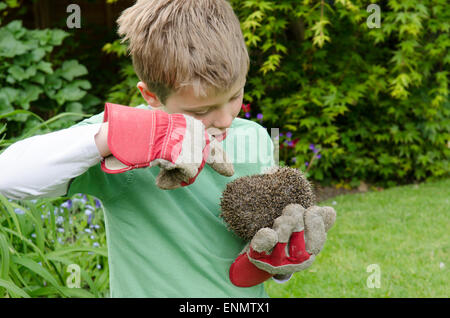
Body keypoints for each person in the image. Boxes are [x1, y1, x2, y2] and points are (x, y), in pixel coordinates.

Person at [0, 0, 329, 297]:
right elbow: (9, 176)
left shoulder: (254, 137)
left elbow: (260, 240)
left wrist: (275, 258)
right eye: (201, 112)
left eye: (235, 96)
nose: (226, 119)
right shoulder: (122, 138)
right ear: (151, 97)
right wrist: (116, 138)